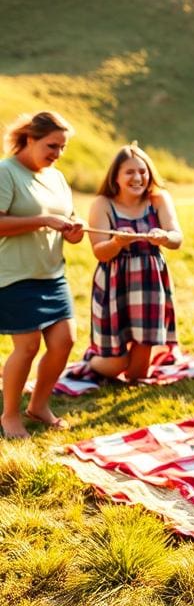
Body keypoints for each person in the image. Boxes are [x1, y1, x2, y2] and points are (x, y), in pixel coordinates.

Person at [0, 112, 84, 439]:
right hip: (14, 275)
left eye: (62, 148)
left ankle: (38, 406)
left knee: (65, 341)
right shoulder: (6, 172)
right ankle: (9, 415)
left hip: (52, 274)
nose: (57, 154)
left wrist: (73, 231)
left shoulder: (56, 178)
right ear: (30, 139)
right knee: (28, 346)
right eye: (52, 145)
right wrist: (44, 220)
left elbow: (67, 218)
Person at [84, 144, 183, 381]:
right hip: (114, 282)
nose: (138, 177)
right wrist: (117, 242)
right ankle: (93, 360)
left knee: (137, 374)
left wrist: (165, 237)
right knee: (116, 364)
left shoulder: (158, 199)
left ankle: (137, 362)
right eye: (129, 172)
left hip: (149, 279)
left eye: (143, 171)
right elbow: (100, 253)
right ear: (116, 176)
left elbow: (177, 238)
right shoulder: (103, 204)